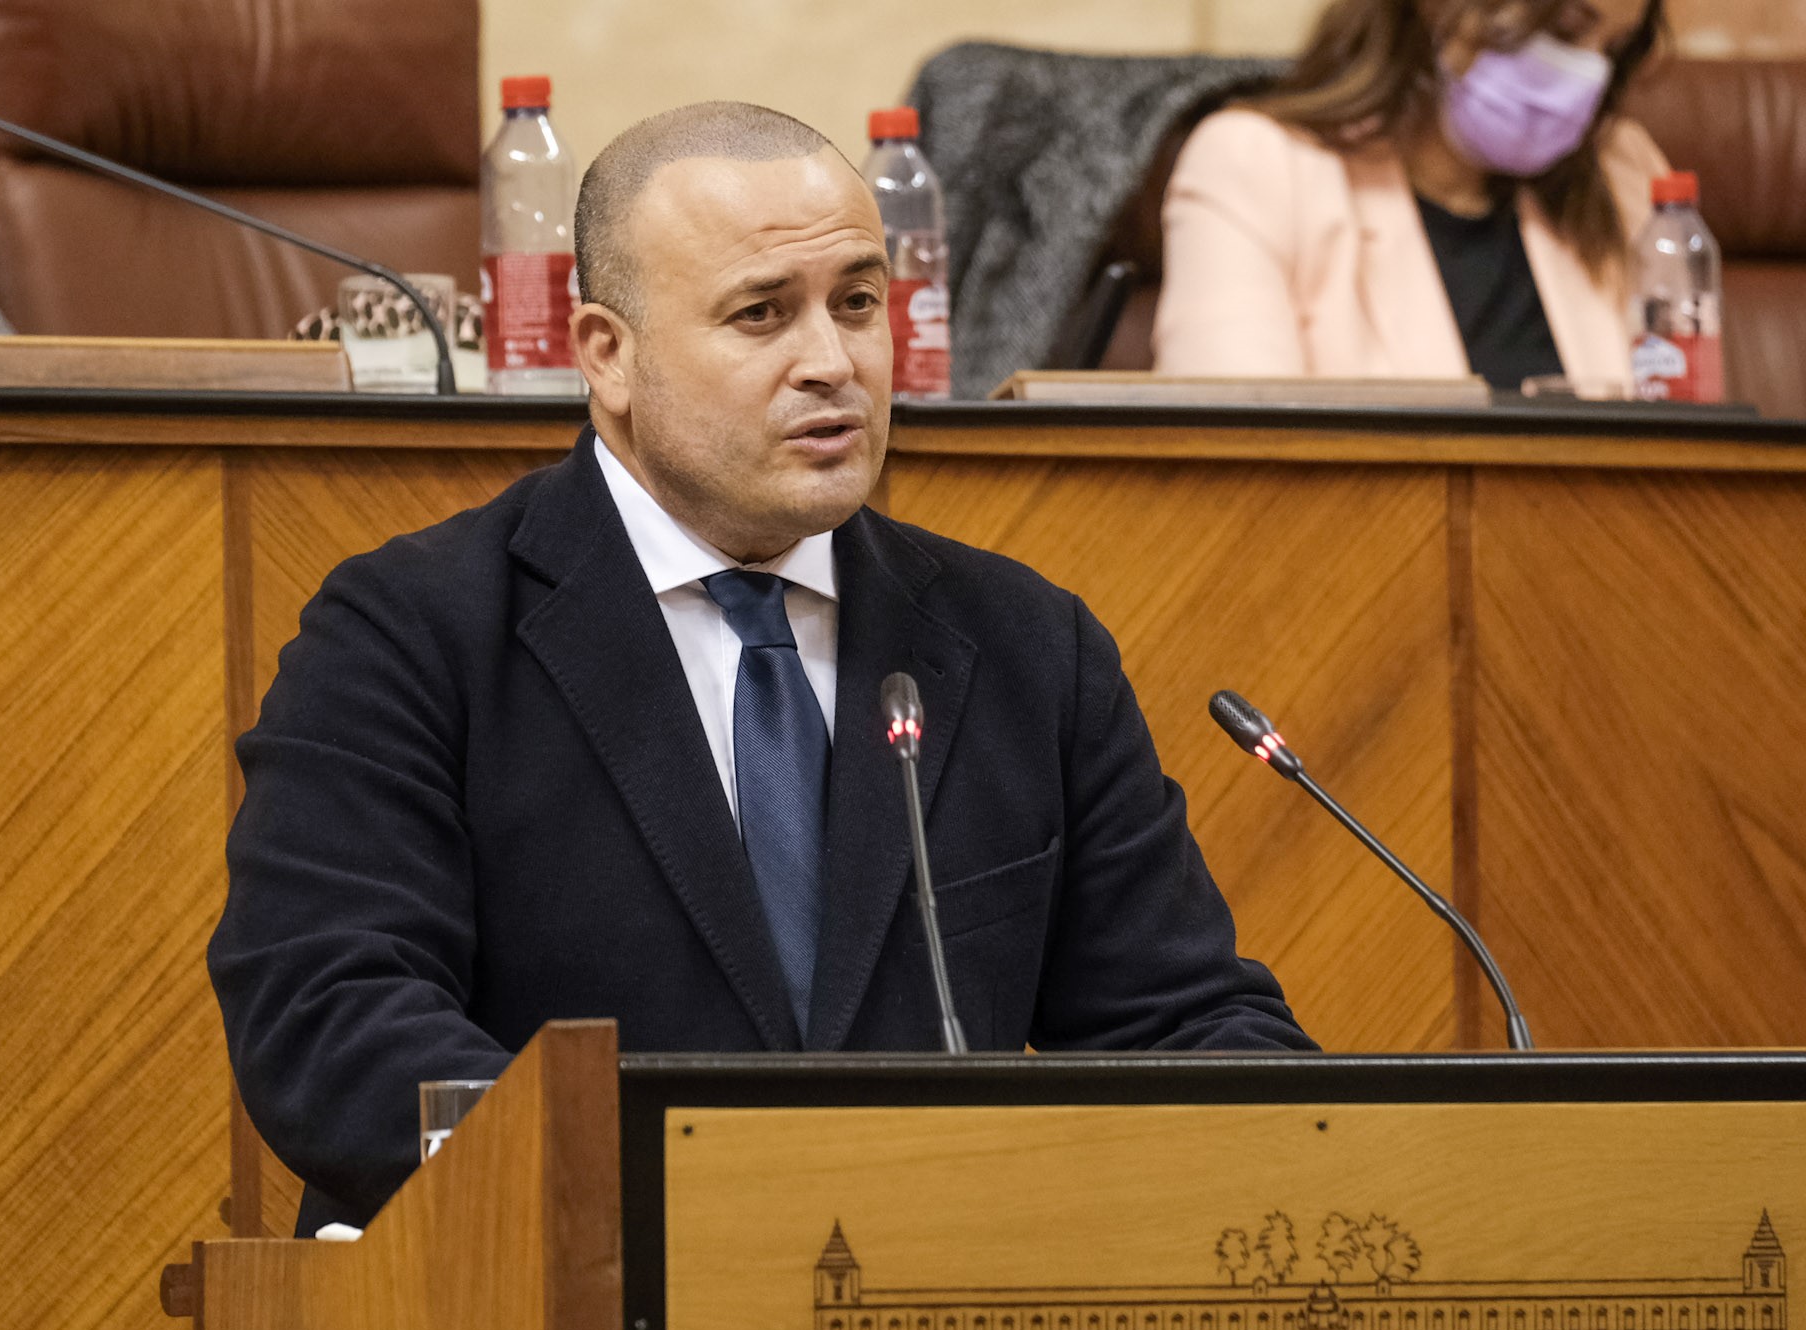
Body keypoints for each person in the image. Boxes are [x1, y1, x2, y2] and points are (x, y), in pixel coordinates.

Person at [209, 101, 1315, 1235]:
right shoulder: (409, 632)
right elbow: (329, 1016)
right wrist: (692, 1204)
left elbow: (1182, 1021)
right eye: (760, 315)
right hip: (552, 1318)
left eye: (855, 303)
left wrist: (1326, 1147)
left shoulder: (1026, 643)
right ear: (607, 354)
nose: (832, 363)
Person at [1153, 0, 1670, 391]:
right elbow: (1230, 468)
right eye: (1567, 29)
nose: (1588, 74)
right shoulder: (1255, 163)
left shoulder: (1622, 171)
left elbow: (1687, 441)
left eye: (1613, 48)